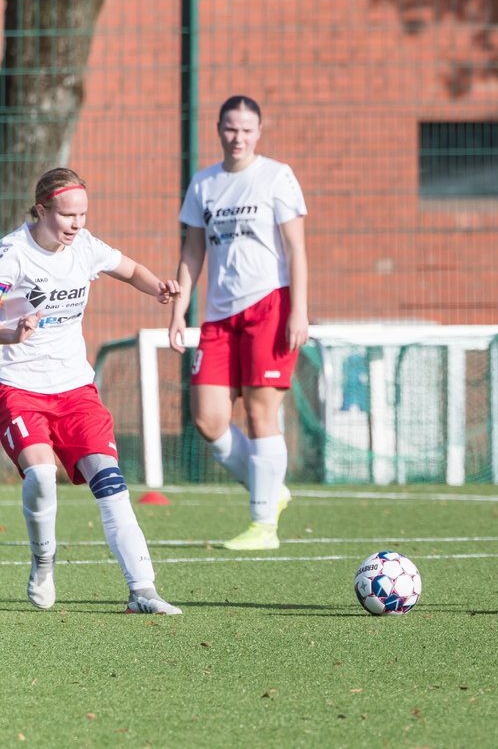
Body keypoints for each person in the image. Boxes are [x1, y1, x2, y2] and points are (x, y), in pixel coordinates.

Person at [0, 168, 183, 614]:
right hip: (19, 387)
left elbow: (132, 269)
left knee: (110, 480)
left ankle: (143, 591)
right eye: (67, 215)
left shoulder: (84, 247)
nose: (77, 224)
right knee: (42, 477)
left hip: (75, 389)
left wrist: (157, 286)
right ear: (42, 210)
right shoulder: (12, 254)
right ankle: (44, 562)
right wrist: (10, 336)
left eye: (83, 214)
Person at [167, 95, 309, 551]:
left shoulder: (276, 176)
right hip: (217, 315)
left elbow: (296, 250)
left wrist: (299, 311)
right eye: (231, 128)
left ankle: (263, 524)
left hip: (270, 306)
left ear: (259, 132)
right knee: (208, 419)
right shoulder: (204, 184)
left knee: (260, 413)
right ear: (218, 129)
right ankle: (271, 488)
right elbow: (192, 251)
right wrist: (179, 310)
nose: (238, 137)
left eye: (247, 129)